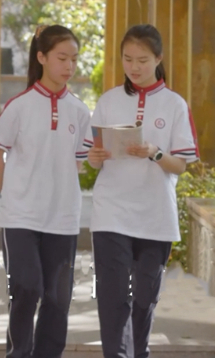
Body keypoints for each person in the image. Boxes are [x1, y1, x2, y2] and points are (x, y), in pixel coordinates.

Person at [85, 24, 198, 358]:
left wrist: (155, 152)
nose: (133, 67)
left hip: (155, 215)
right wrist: (94, 157)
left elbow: (181, 165)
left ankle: (139, 352)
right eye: (127, 59)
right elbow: (93, 157)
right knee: (114, 295)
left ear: (159, 59)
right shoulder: (108, 100)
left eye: (142, 60)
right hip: (111, 212)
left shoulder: (175, 105)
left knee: (145, 297)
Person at [0, 25, 92, 358]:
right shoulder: (19, 105)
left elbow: (80, 162)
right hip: (21, 216)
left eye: (74, 59)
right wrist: (8, 196)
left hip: (63, 217)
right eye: (62, 58)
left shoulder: (80, 111)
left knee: (58, 299)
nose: (69, 66)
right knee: (26, 288)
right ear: (42, 57)